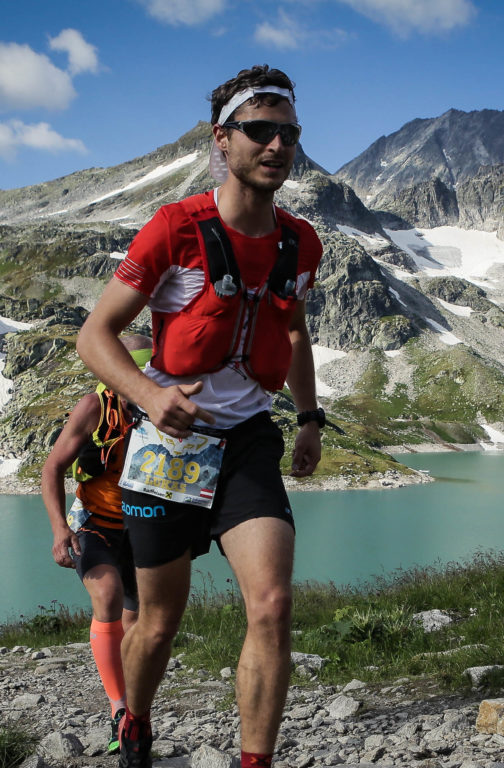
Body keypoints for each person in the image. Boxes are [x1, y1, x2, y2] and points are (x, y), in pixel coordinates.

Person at [76, 64, 324, 768]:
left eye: (290, 133)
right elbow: (94, 337)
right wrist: (150, 395)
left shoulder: (301, 241)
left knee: (272, 604)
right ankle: (136, 720)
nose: (278, 146)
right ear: (224, 140)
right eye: (261, 131)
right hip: (166, 445)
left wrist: (308, 419)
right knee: (157, 623)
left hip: (249, 441)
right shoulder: (174, 229)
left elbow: (297, 332)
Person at [42, 334, 153, 755]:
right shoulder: (94, 408)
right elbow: (52, 468)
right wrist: (58, 531)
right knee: (105, 594)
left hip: (144, 527)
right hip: (94, 524)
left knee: (136, 623)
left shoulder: (161, 406)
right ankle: (119, 711)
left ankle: (136, 709)